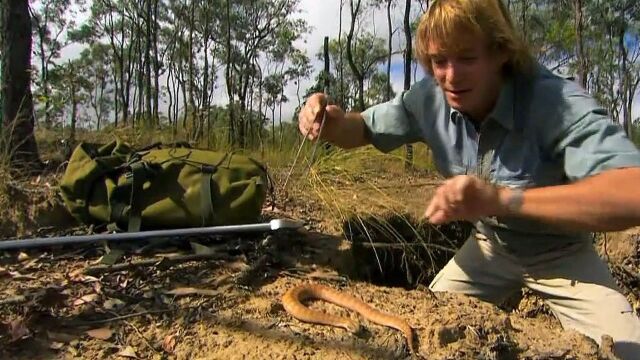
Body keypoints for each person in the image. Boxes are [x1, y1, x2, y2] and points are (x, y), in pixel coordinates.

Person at [297, 0, 640, 358]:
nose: (451, 75)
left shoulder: (556, 102)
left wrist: (504, 200)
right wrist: (331, 124)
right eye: (439, 61)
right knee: (424, 335)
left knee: (630, 352)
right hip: (488, 248)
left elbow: (633, 191)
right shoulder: (429, 99)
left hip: (562, 254)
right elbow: (364, 128)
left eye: (467, 58)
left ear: (500, 53)